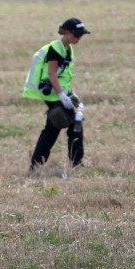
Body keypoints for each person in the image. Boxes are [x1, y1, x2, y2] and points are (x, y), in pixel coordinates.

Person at [24, 18, 91, 171]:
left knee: (52, 130)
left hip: (59, 92)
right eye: (76, 35)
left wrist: (70, 93)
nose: (79, 38)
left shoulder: (67, 47)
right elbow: (51, 73)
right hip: (53, 94)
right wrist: (61, 95)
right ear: (67, 32)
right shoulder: (56, 48)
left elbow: (63, 75)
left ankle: (36, 165)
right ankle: (76, 162)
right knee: (74, 124)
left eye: (81, 35)